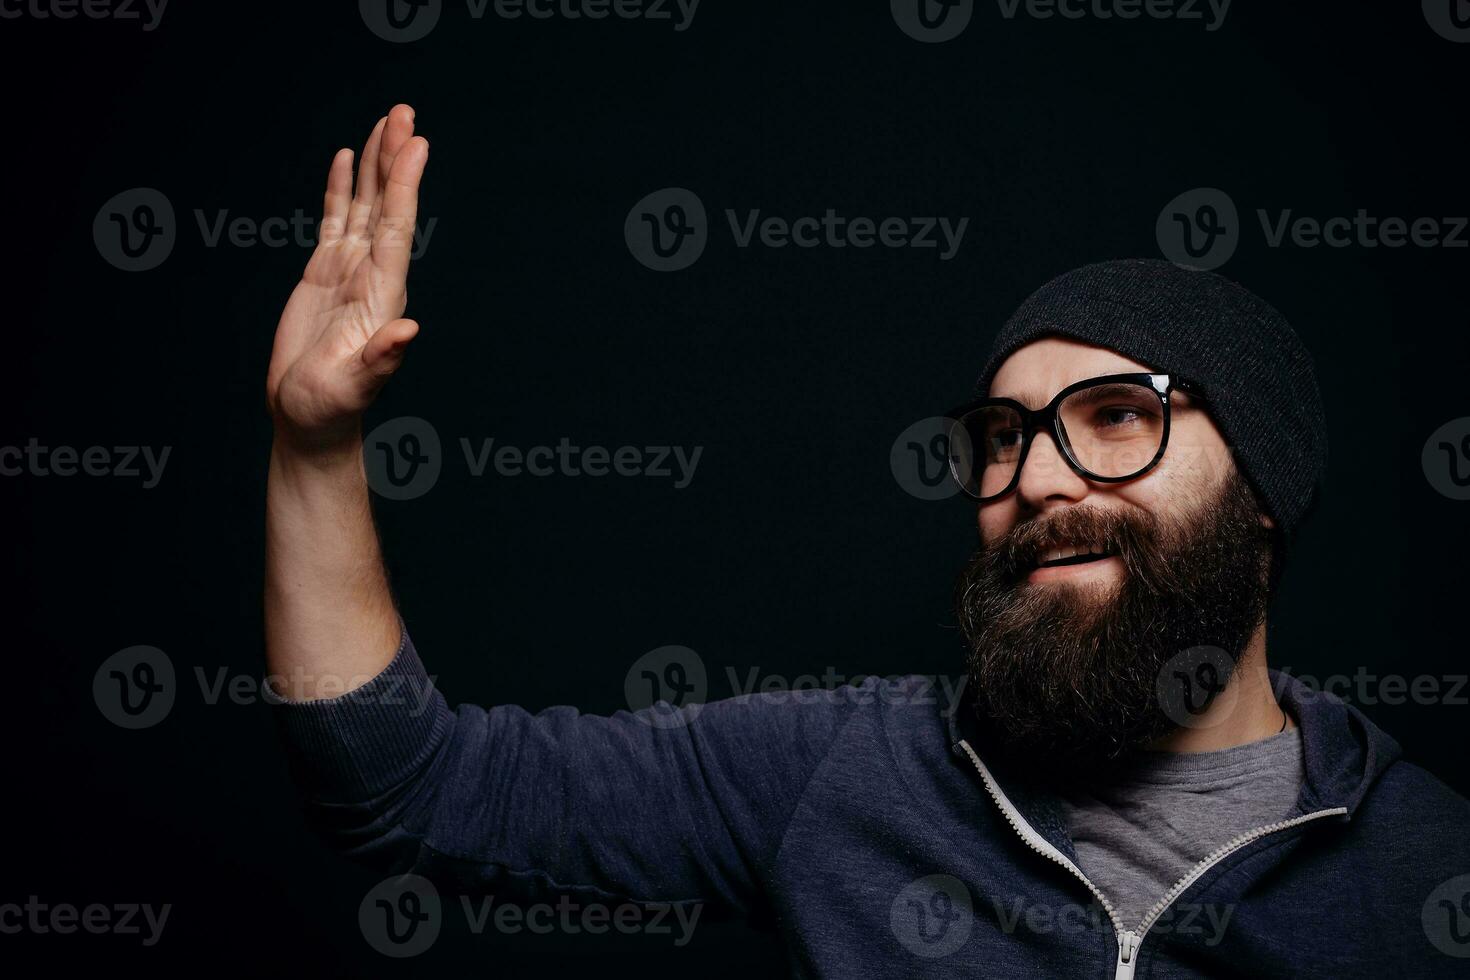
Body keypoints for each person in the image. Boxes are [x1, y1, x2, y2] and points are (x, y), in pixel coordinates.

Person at [263, 105, 1470, 978]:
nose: (1038, 476)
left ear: (1262, 483)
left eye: (1117, 417)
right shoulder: (844, 773)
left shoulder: (1425, 866)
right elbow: (411, 786)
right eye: (1003, 435)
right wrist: (315, 446)